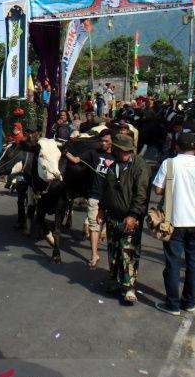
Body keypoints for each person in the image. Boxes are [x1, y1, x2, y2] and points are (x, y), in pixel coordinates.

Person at [152, 133, 195, 316]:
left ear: (177, 147)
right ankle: (189, 302)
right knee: (194, 264)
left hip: (174, 222)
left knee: (173, 263)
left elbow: (157, 190)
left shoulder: (169, 164)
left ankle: (172, 304)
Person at [99, 134, 149, 305]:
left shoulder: (139, 166)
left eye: (128, 151)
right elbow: (106, 190)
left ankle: (129, 287)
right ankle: (114, 280)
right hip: (113, 216)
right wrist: (101, 208)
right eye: (123, 151)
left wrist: (133, 215)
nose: (125, 154)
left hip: (130, 217)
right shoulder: (112, 166)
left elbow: (141, 194)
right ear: (117, 150)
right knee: (113, 251)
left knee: (127, 252)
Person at [64, 129, 113, 268]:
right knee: (94, 226)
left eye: (106, 141)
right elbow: (75, 160)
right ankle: (94, 254)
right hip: (95, 197)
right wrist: (64, 152)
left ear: (112, 141)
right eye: (101, 141)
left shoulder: (118, 156)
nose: (103, 143)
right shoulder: (93, 153)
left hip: (113, 198)